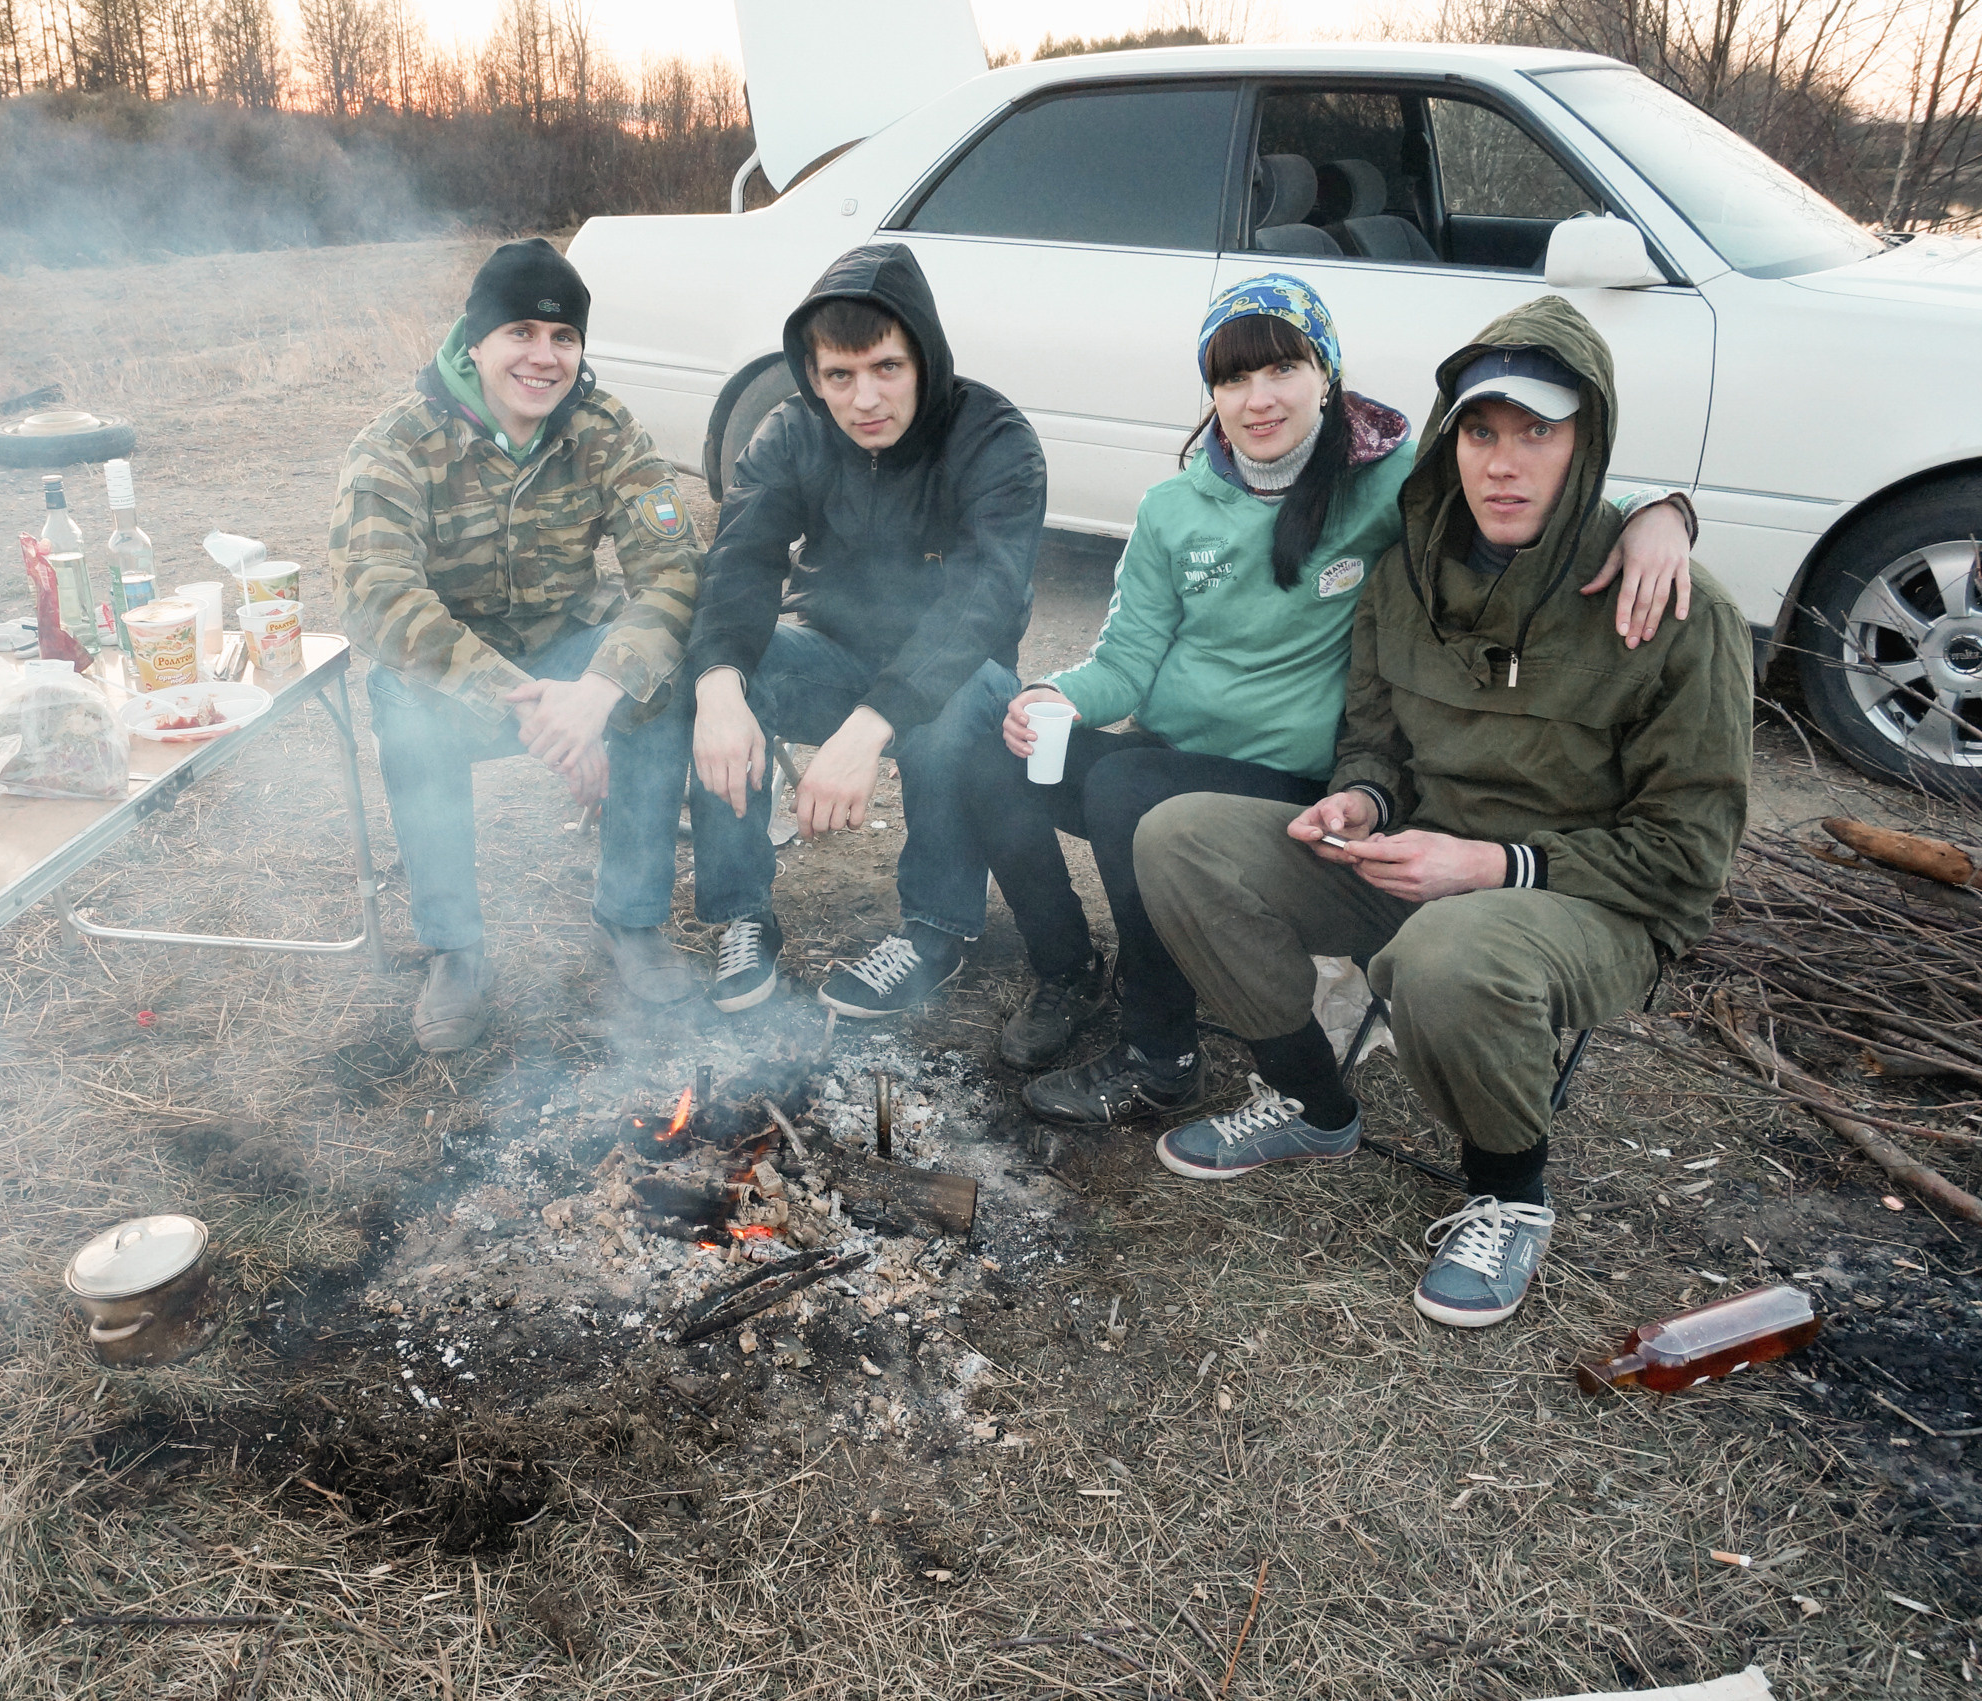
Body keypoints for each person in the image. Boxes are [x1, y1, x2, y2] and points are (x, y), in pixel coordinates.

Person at [1133, 296, 1752, 1330]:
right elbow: (1373, 738)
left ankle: (1508, 1192)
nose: (1502, 464)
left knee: (1449, 956)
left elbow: (1684, 861)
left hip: (1585, 903)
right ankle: (1311, 1102)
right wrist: (1361, 798)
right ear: (1448, 438)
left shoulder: (1683, 611)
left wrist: (1491, 867)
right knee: (1181, 837)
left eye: (1536, 434)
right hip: (1418, 870)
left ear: (1585, 443)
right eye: (1480, 432)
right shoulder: (1405, 575)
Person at [976, 274, 1694, 1119]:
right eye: (1233, 379)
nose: (1258, 398)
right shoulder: (1175, 508)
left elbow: (1529, 487)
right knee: (992, 756)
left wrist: (1659, 510)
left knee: (1123, 794)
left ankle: (1160, 1053)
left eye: (1282, 368)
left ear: (1327, 372)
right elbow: (1125, 664)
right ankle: (1068, 971)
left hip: (1302, 784)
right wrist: (1050, 696)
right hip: (1174, 754)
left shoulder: (1388, 483)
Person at [333, 238, 700, 1051]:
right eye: (521, 334)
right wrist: (538, 712)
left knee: (659, 683)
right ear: (476, 342)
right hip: (462, 681)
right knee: (401, 699)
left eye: (563, 338)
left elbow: (674, 575)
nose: (544, 357)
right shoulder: (399, 442)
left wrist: (599, 691)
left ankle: (631, 920)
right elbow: (377, 597)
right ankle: (456, 949)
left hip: (570, 662)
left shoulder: (603, 430)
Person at [683, 242, 1046, 1018]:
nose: (864, 399)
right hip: (831, 652)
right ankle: (741, 913)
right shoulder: (791, 432)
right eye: (839, 376)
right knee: (723, 679)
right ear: (813, 375)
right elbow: (740, 560)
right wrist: (718, 687)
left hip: (960, 671)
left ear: (923, 356)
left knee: (948, 715)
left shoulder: (993, 437)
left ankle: (934, 932)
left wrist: (868, 727)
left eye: (886, 367)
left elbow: (983, 600)